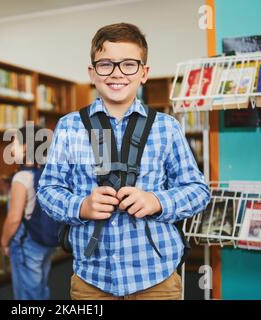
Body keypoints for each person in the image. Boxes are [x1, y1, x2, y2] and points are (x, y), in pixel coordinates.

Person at [37, 23, 211, 300]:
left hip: (157, 278)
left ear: (144, 73)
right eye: (106, 64)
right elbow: (47, 191)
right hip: (91, 279)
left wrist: (157, 201)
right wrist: (80, 206)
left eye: (129, 64)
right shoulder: (69, 126)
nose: (117, 73)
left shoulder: (167, 127)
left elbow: (198, 190)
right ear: (92, 73)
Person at [0, 125, 56, 300]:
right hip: (46, 241)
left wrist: (4, 242)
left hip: (27, 244)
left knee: (27, 294)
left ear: (25, 148)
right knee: (41, 287)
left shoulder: (21, 178)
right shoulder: (47, 173)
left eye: (14, 144)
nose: (10, 148)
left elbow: (14, 219)